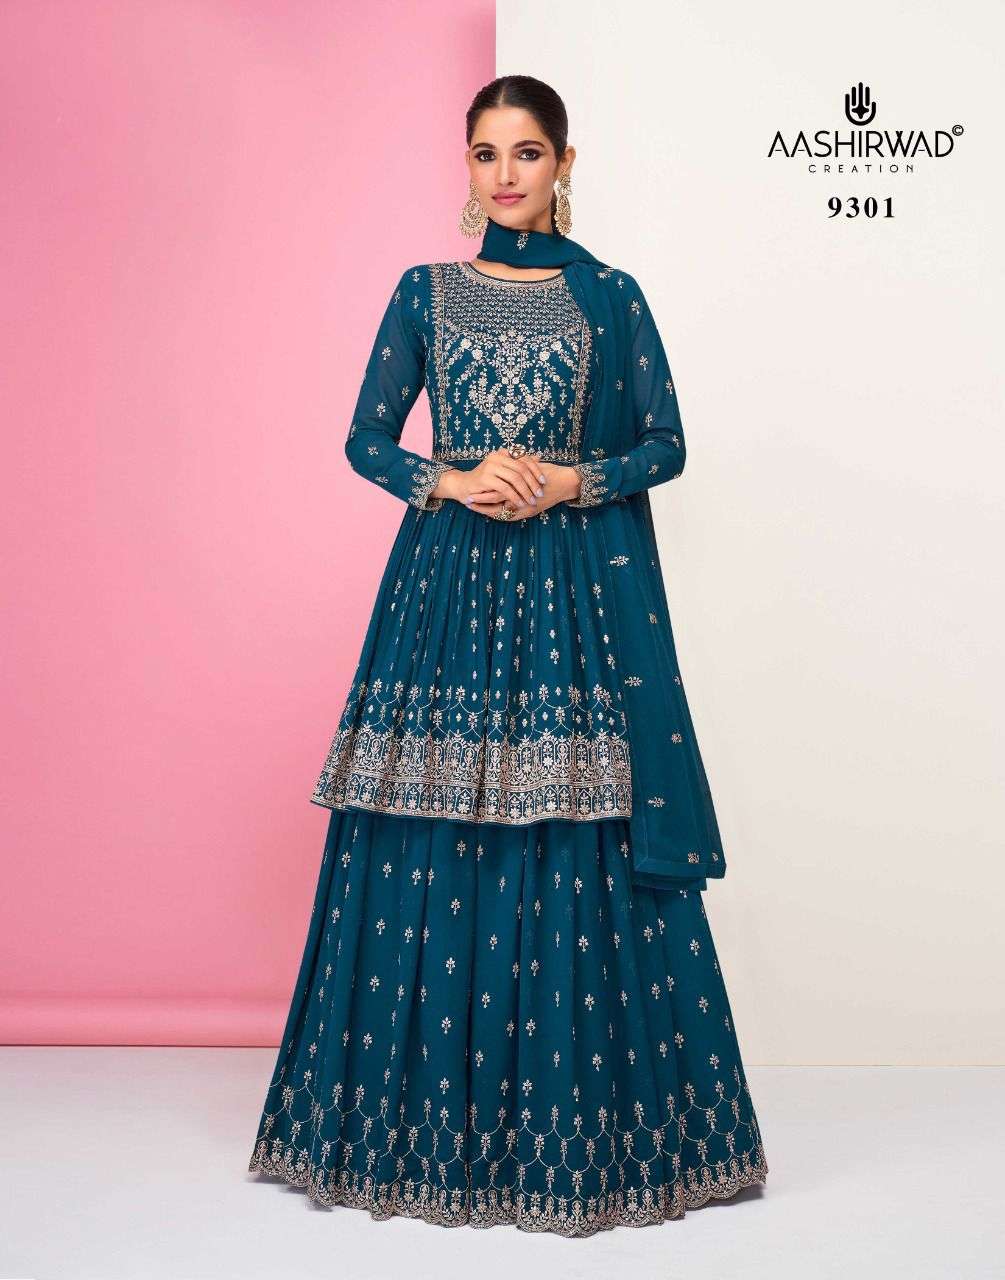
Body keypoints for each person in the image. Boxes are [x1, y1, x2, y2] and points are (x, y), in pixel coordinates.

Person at [247, 73, 768, 1238]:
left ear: (564, 164)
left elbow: (666, 442)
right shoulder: (424, 292)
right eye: (486, 153)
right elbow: (365, 437)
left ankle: (570, 1126)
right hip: (442, 590)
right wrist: (452, 476)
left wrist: (575, 480)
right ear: (468, 165)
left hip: (573, 592)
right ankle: (413, 1125)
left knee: (570, 828)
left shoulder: (610, 296)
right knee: (428, 826)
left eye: (527, 152)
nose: (505, 174)